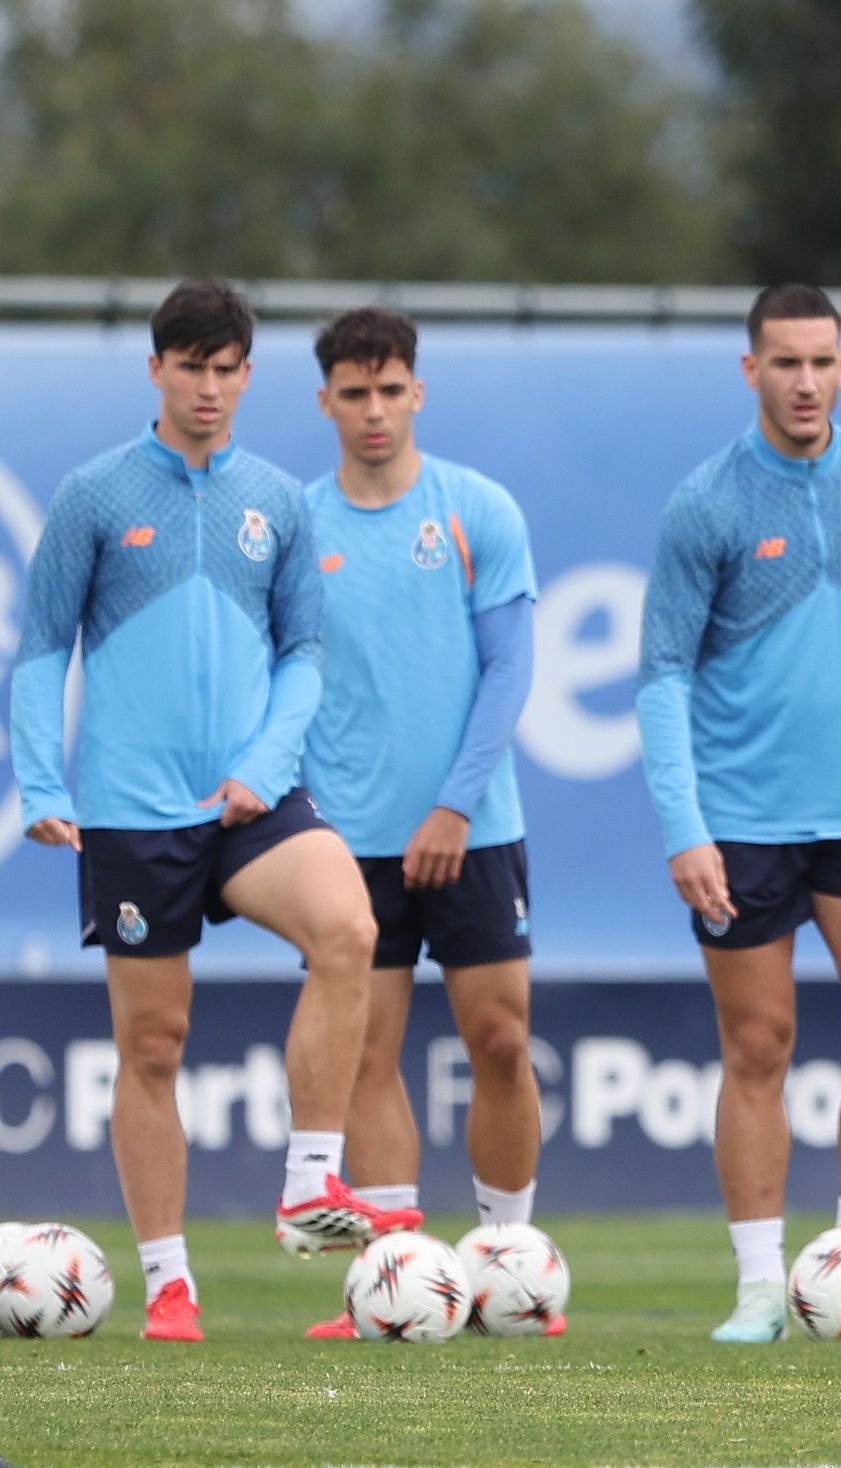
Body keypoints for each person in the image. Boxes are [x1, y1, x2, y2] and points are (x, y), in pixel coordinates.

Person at [7, 280, 421, 1344]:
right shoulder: (96, 495)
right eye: (189, 367)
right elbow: (42, 649)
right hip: (134, 811)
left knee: (351, 927)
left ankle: (310, 1179)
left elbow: (304, 652)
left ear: (247, 375)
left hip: (252, 799)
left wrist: (265, 763)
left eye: (226, 369)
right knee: (155, 1046)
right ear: (157, 369)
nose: (208, 387)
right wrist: (41, 784)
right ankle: (169, 1282)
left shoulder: (276, 499)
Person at [637, 283, 841, 1344]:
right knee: (760, 1044)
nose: (806, 382)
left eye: (823, 361)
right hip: (742, 824)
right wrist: (684, 826)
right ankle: (757, 1287)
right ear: (751, 369)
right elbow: (660, 676)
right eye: (785, 362)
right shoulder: (706, 503)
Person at [295, 306, 555, 1339]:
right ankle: (397, 1279)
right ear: (325, 400)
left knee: (501, 1039)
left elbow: (509, 668)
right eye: (354, 393)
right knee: (369, 1053)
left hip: (473, 829)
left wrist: (454, 802)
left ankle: (507, 1268)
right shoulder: (299, 525)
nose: (374, 410)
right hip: (346, 842)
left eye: (391, 389)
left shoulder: (476, 510)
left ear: (418, 393)